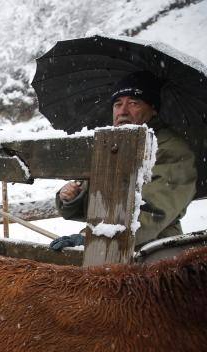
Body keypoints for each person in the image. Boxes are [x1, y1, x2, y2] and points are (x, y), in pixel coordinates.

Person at [50, 71, 198, 250]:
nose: (123, 111)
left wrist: (94, 238)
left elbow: (155, 211)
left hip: (156, 251)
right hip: (107, 248)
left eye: (134, 103)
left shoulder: (171, 148)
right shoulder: (111, 144)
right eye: (117, 104)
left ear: (153, 109)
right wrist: (73, 197)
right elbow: (99, 202)